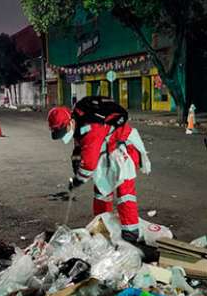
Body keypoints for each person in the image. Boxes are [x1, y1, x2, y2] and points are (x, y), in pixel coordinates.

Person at [48, 96, 151, 243]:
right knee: (101, 193)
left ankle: (131, 236)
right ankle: (102, 230)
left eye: (64, 132)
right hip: (105, 153)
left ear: (70, 122)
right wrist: (77, 159)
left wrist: (77, 180)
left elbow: (89, 164)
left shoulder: (90, 127)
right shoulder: (78, 118)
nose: (64, 136)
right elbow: (81, 146)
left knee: (125, 194)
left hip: (121, 152)